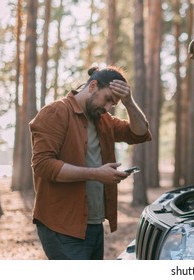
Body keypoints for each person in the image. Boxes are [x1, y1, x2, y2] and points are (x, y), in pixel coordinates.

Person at [29, 65, 152, 260]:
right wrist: (96, 173)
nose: (108, 107)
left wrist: (129, 102)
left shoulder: (102, 119)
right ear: (93, 86)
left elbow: (140, 133)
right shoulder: (56, 112)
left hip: (94, 224)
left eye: (113, 104)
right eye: (108, 99)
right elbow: (43, 164)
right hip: (62, 226)